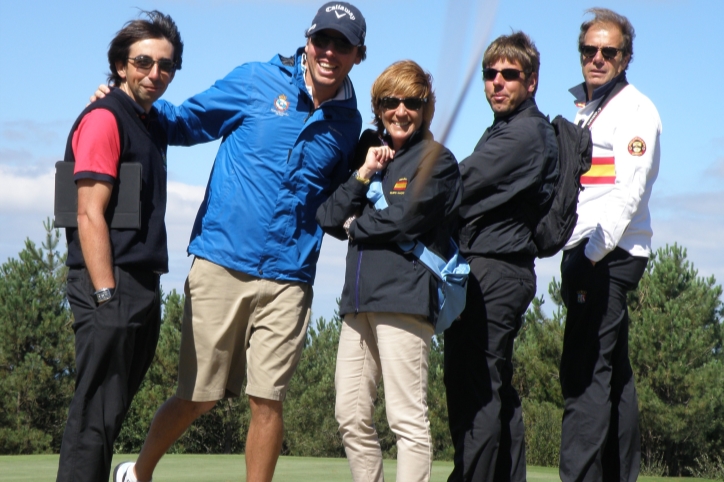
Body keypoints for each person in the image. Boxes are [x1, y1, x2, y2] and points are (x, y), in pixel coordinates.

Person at [109, 3, 366, 482]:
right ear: (307, 42)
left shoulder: (349, 124)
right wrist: (125, 100)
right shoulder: (255, 80)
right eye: (322, 40)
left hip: (290, 276)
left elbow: (335, 201)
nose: (329, 51)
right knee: (199, 395)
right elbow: (184, 123)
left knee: (268, 400)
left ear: (358, 55)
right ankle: (139, 472)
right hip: (222, 262)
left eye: (342, 44)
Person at [316, 60, 462, 482]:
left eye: (412, 103)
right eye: (390, 102)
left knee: (406, 421)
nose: (401, 111)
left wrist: (354, 226)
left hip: (405, 300)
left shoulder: (437, 159)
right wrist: (363, 172)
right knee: (350, 416)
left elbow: (403, 219)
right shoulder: (371, 156)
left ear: (425, 109)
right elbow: (327, 215)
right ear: (378, 108)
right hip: (357, 303)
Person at [55, 11, 183, 482]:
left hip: (140, 285)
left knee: (108, 415)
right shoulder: (106, 118)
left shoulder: (146, 122)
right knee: (93, 417)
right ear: (121, 65)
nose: (155, 73)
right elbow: (87, 212)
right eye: (144, 62)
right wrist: (106, 295)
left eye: (166, 66)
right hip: (110, 286)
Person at [443, 32, 558, 482]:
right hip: (494, 267)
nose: (497, 83)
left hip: (495, 269)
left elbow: (457, 182)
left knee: (475, 390)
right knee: (494, 390)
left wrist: (402, 181)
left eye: (509, 75)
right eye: (491, 75)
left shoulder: (524, 134)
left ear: (531, 81)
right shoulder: (508, 130)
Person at [558, 8, 661, 481]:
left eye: (608, 51)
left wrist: (589, 256)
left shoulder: (635, 109)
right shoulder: (585, 106)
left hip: (607, 253)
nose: (597, 58)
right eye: (588, 50)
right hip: (588, 249)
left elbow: (628, 193)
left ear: (626, 57)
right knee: (614, 374)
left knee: (584, 373)